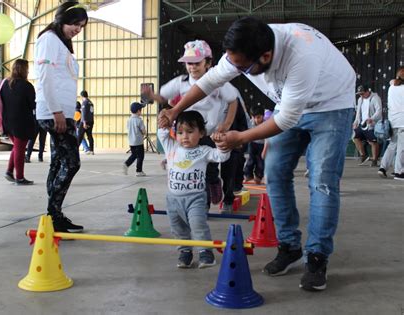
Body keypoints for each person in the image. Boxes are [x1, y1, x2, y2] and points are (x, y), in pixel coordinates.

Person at [159, 17, 356, 291]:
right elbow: (210, 81)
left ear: (266, 56)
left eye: (243, 69)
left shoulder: (302, 57)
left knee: (322, 181)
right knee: (274, 174)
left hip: (331, 105)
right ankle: (289, 246)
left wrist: (240, 137)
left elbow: (286, 119)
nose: (238, 71)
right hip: (288, 102)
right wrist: (175, 110)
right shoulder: (246, 47)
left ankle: (317, 257)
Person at [144, 39, 238, 206]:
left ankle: (214, 181)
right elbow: (163, 97)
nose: (192, 67)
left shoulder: (217, 82)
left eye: (197, 63)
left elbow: (233, 100)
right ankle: (203, 205)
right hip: (187, 133)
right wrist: (152, 96)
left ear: (208, 63)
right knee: (192, 167)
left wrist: (226, 124)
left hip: (208, 132)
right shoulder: (182, 82)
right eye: (189, 63)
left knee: (210, 168)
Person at [34, 2, 88, 233]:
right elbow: (44, 76)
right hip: (53, 111)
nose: (78, 29)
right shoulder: (49, 39)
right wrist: (57, 112)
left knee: (58, 161)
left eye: (82, 26)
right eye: (75, 24)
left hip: (62, 111)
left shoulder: (60, 43)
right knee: (71, 162)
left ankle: (53, 214)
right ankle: (53, 214)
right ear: (62, 20)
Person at [158, 110, 230, 268]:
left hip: (196, 198)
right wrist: (164, 121)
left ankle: (206, 252)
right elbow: (162, 133)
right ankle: (185, 251)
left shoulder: (203, 151)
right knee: (178, 228)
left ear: (201, 133)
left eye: (190, 132)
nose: (184, 136)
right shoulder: (172, 147)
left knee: (198, 225)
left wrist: (221, 143)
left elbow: (222, 156)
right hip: (173, 200)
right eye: (180, 132)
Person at [0, 59, 36, 185]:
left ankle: (9, 171)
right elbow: (33, 105)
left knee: (17, 147)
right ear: (24, 70)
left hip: (7, 122)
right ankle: (19, 177)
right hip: (22, 122)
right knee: (20, 149)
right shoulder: (27, 86)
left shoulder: (5, 83)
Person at [378, 68, 404, 180]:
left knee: (392, 145)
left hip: (393, 121)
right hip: (403, 122)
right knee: (402, 148)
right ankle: (399, 172)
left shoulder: (391, 87)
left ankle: (383, 168)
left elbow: (392, 82)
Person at [352, 85, 382, 167]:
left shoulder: (375, 98)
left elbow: (379, 111)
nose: (361, 95)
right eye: (359, 94)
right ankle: (363, 155)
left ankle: (375, 160)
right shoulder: (360, 99)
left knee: (373, 142)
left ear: (368, 91)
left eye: (362, 93)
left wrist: (372, 118)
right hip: (362, 124)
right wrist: (355, 122)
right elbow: (358, 113)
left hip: (372, 124)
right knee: (355, 137)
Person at [123, 102, 146, 176]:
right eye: (141, 110)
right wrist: (144, 133)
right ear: (138, 111)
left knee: (134, 155)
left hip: (131, 142)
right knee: (140, 156)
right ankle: (138, 170)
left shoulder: (129, 120)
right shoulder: (139, 120)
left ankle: (127, 165)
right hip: (138, 142)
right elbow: (143, 131)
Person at [244, 106, 266, 185]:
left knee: (261, 161)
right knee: (251, 159)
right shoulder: (251, 123)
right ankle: (248, 175)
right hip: (252, 143)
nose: (256, 120)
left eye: (258, 117)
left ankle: (258, 176)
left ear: (263, 116)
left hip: (262, 145)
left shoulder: (266, 124)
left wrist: (265, 150)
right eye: (254, 117)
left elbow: (268, 139)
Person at [78, 90, 94, 154]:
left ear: (82, 96)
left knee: (79, 135)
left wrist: (84, 122)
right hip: (91, 121)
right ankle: (91, 150)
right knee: (89, 135)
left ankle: (75, 149)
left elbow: (84, 113)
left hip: (85, 121)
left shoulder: (84, 102)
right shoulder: (91, 102)